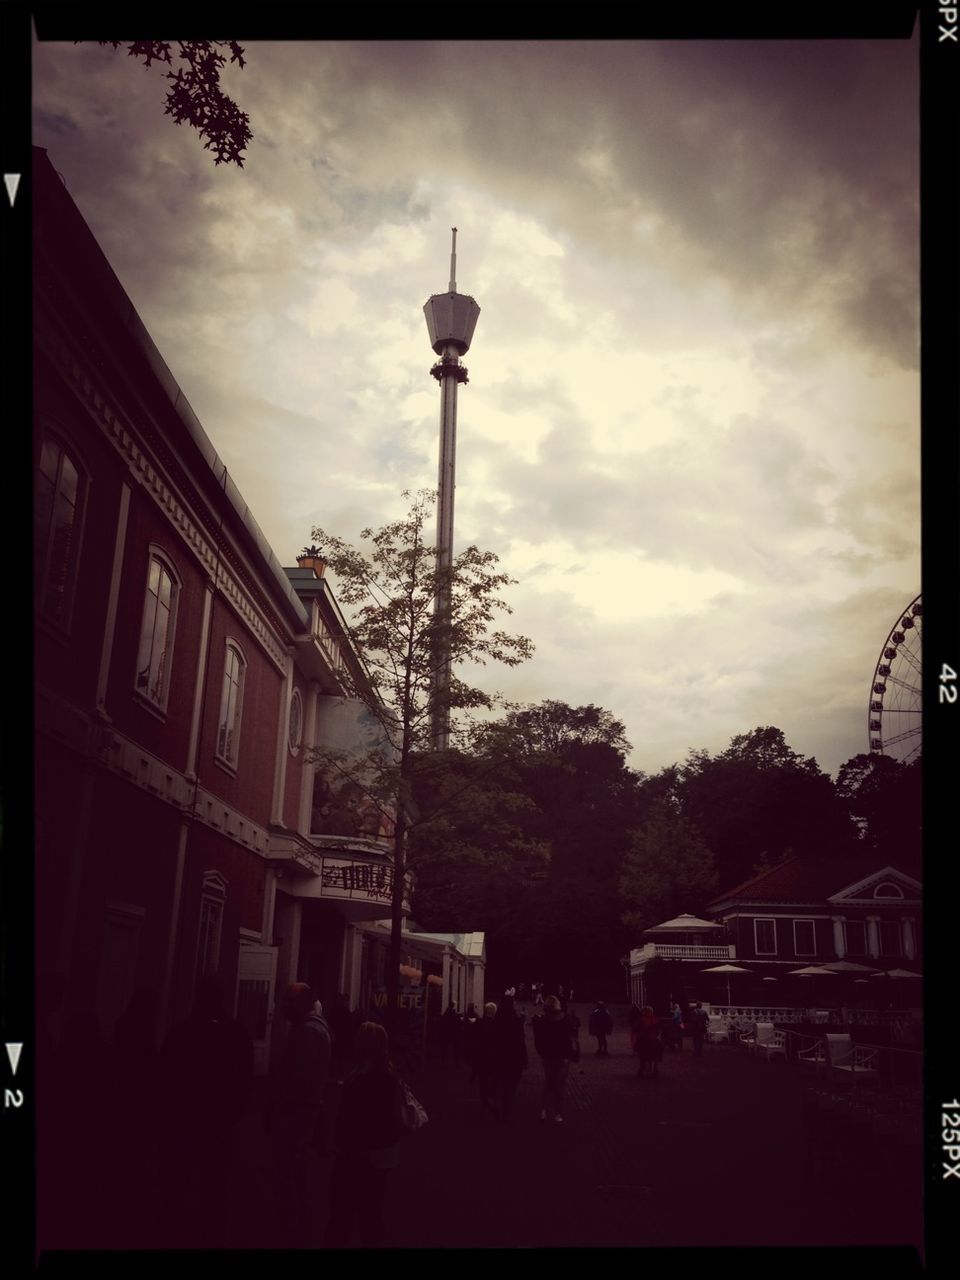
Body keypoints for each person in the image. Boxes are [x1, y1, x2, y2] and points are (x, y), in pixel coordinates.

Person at [157, 973, 254, 1248]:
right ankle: (211, 1238)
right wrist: (234, 1113)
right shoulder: (236, 1033)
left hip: (184, 1125)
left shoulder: (182, 1031)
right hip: (219, 1125)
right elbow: (247, 1079)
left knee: (176, 1193)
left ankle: (171, 1238)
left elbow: (165, 1077)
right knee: (214, 1193)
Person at [324, 1021, 407, 1247]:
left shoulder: (365, 1077)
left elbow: (357, 1118)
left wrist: (340, 1143)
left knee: (345, 1212)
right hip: (381, 1152)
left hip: (359, 1154)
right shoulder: (387, 1073)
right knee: (371, 1211)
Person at [269, 982, 333, 1244]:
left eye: (290, 1000)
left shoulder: (308, 1032)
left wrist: (281, 1104)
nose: (284, 1005)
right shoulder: (313, 1029)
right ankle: (295, 1216)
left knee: (290, 1162)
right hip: (305, 1108)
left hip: (297, 1110)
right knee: (295, 1163)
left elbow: (301, 1077)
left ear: (307, 1003)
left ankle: (292, 1224)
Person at [532, 994, 578, 1123]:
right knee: (559, 1085)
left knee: (549, 1083)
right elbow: (570, 1038)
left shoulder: (542, 1021)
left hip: (549, 1056)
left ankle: (544, 1110)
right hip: (562, 1056)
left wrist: (543, 1053)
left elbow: (539, 1042)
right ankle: (557, 1112)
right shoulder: (565, 1020)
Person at [490, 994, 528, 1123]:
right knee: (511, 1088)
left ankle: (499, 1107)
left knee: (499, 1084)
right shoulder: (516, 1021)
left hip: (499, 1058)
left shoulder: (496, 1021)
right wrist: (524, 1060)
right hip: (513, 1059)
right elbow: (520, 1042)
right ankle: (507, 1112)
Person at [477, 1001, 499, 1116]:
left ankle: (484, 1102)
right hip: (493, 1058)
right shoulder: (497, 1025)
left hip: (481, 1058)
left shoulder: (479, 1024)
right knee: (493, 1080)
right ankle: (491, 1100)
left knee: (483, 1081)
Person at [636, 1005, 662, 1079]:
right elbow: (658, 1030)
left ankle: (642, 1070)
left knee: (643, 1056)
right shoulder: (655, 1020)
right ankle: (655, 1070)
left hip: (643, 1040)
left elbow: (636, 1029)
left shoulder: (641, 1020)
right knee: (655, 1055)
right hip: (653, 1040)